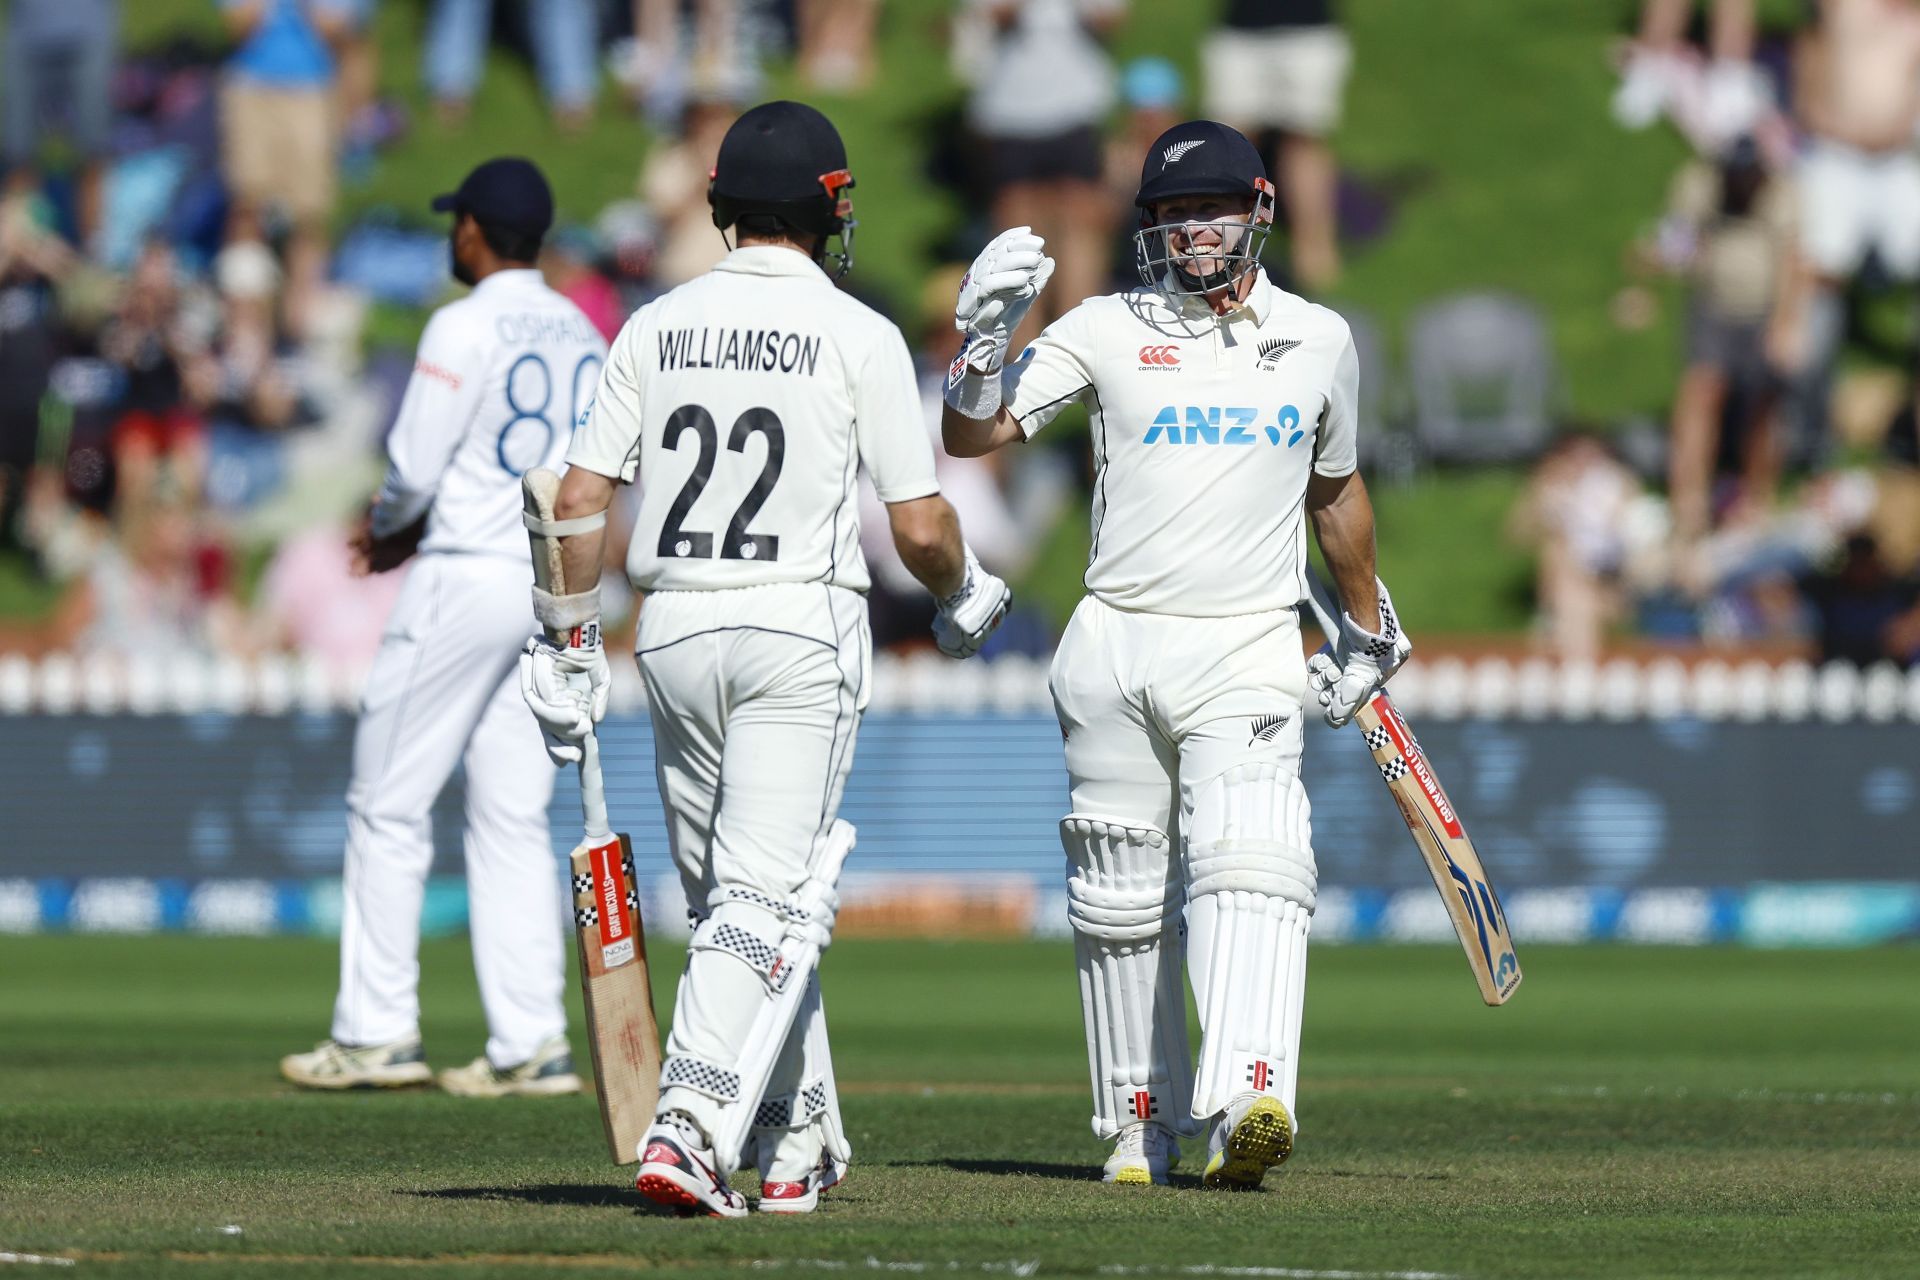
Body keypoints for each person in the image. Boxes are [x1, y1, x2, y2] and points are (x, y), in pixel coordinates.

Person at [519, 101, 1010, 1216]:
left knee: (741, 904)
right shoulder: (859, 331)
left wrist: (564, 638)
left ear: (721, 205)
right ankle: (690, 1128)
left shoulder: (654, 323)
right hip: (799, 625)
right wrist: (967, 590)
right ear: (829, 207)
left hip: (677, 627)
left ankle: (799, 1136)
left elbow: (580, 499)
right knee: (762, 895)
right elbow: (922, 525)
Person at [941, 120, 1407, 1188]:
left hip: (1244, 640)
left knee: (1254, 859)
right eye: (1172, 214)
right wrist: (978, 350)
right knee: (1118, 892)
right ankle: (1135, 1123)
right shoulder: (1106, 326)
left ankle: (1250, 1093)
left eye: (1213, 209)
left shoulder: (1319, 337)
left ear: (1262, 210)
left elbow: (1334, 492)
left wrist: (1369, 623)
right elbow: (975, 437)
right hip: (1113, 639)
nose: (1193, 230)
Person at [280, 159, 608, 1098]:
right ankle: (530, 1040)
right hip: (548, 580)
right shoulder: (583, 328)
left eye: (453, 224)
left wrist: (383, 533)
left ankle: (377, 1030)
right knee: (510, 814)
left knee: (387, 799)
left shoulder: (462, 324)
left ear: (472, 230)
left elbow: (414, 468)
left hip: (465, 571)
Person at [218, 0, 353, 341]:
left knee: (309, 213)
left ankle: (300, 327)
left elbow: (334, 29)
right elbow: (239, 26)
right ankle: (247, 332)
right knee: (247, 205)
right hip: (250, 85)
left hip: (311, 87)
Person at [1201, 0, 1351, 291]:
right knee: (1229, 141)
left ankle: (1314, 253)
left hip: (1309, 25)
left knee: (1305, 137)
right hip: (1240, 28)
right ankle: (1221, 245)